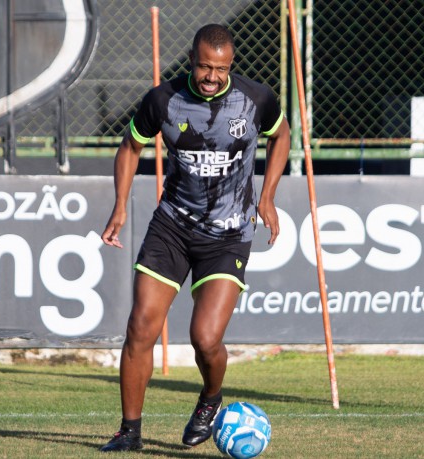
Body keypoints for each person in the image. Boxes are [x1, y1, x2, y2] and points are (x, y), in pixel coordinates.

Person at [99, 24, 290, 451]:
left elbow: (282, 136)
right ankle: (129, 432)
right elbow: (131, 147)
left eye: (220, 69)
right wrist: (120, 205)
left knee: (205, 339)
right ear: (191, 60)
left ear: (230, 65)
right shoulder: (163, 100)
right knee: (140, 327)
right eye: (205, 66)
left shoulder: (255, 99)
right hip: (172, 228)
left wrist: (269, 195)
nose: (212, 76)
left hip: (229, 235)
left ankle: (210, 399)